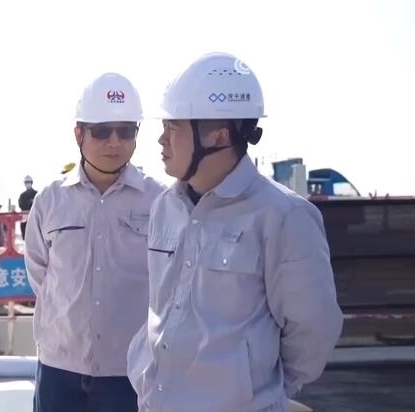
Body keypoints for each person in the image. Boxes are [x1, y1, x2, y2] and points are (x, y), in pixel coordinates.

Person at [126, 52, 343, 412]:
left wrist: (258, 389)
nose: (161, 140)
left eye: (173, 127)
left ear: (219, 136)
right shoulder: (165, 207)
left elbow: (313, 329)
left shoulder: (283, 216)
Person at [25, 72, 166, 412]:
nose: (114, 142)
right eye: (102, 131)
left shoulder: (160, 201)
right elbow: (40, 274)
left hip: (130, 371)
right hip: (59, 370)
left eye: (126, 131)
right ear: (79, 134)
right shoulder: (50, 200)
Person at [17, 175, 37, 240]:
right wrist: (30, 202)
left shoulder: (37, 194)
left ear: (32, 182)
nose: (28, 184)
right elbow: (21, 205)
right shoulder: (22, 195)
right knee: (25, 238)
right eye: (26, 182)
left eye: (29, 182)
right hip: (25, 220)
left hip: (35, 219)